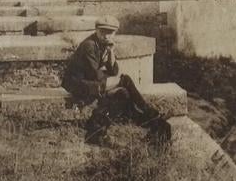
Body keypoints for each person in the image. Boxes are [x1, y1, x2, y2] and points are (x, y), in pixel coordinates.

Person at [61, 15, 171, 145]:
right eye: (102, 32)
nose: (106, 36)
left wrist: (111, 52)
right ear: (96, 30)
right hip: (78, 84)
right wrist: (114, 82)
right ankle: (151, 115)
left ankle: (97, 132)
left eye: (110, 33)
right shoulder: (89, 45)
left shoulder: (104, 45)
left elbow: (113, 71)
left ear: (115, 33)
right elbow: (95, 75)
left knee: (122, 93)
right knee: (125, 80)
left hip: (90, 81)